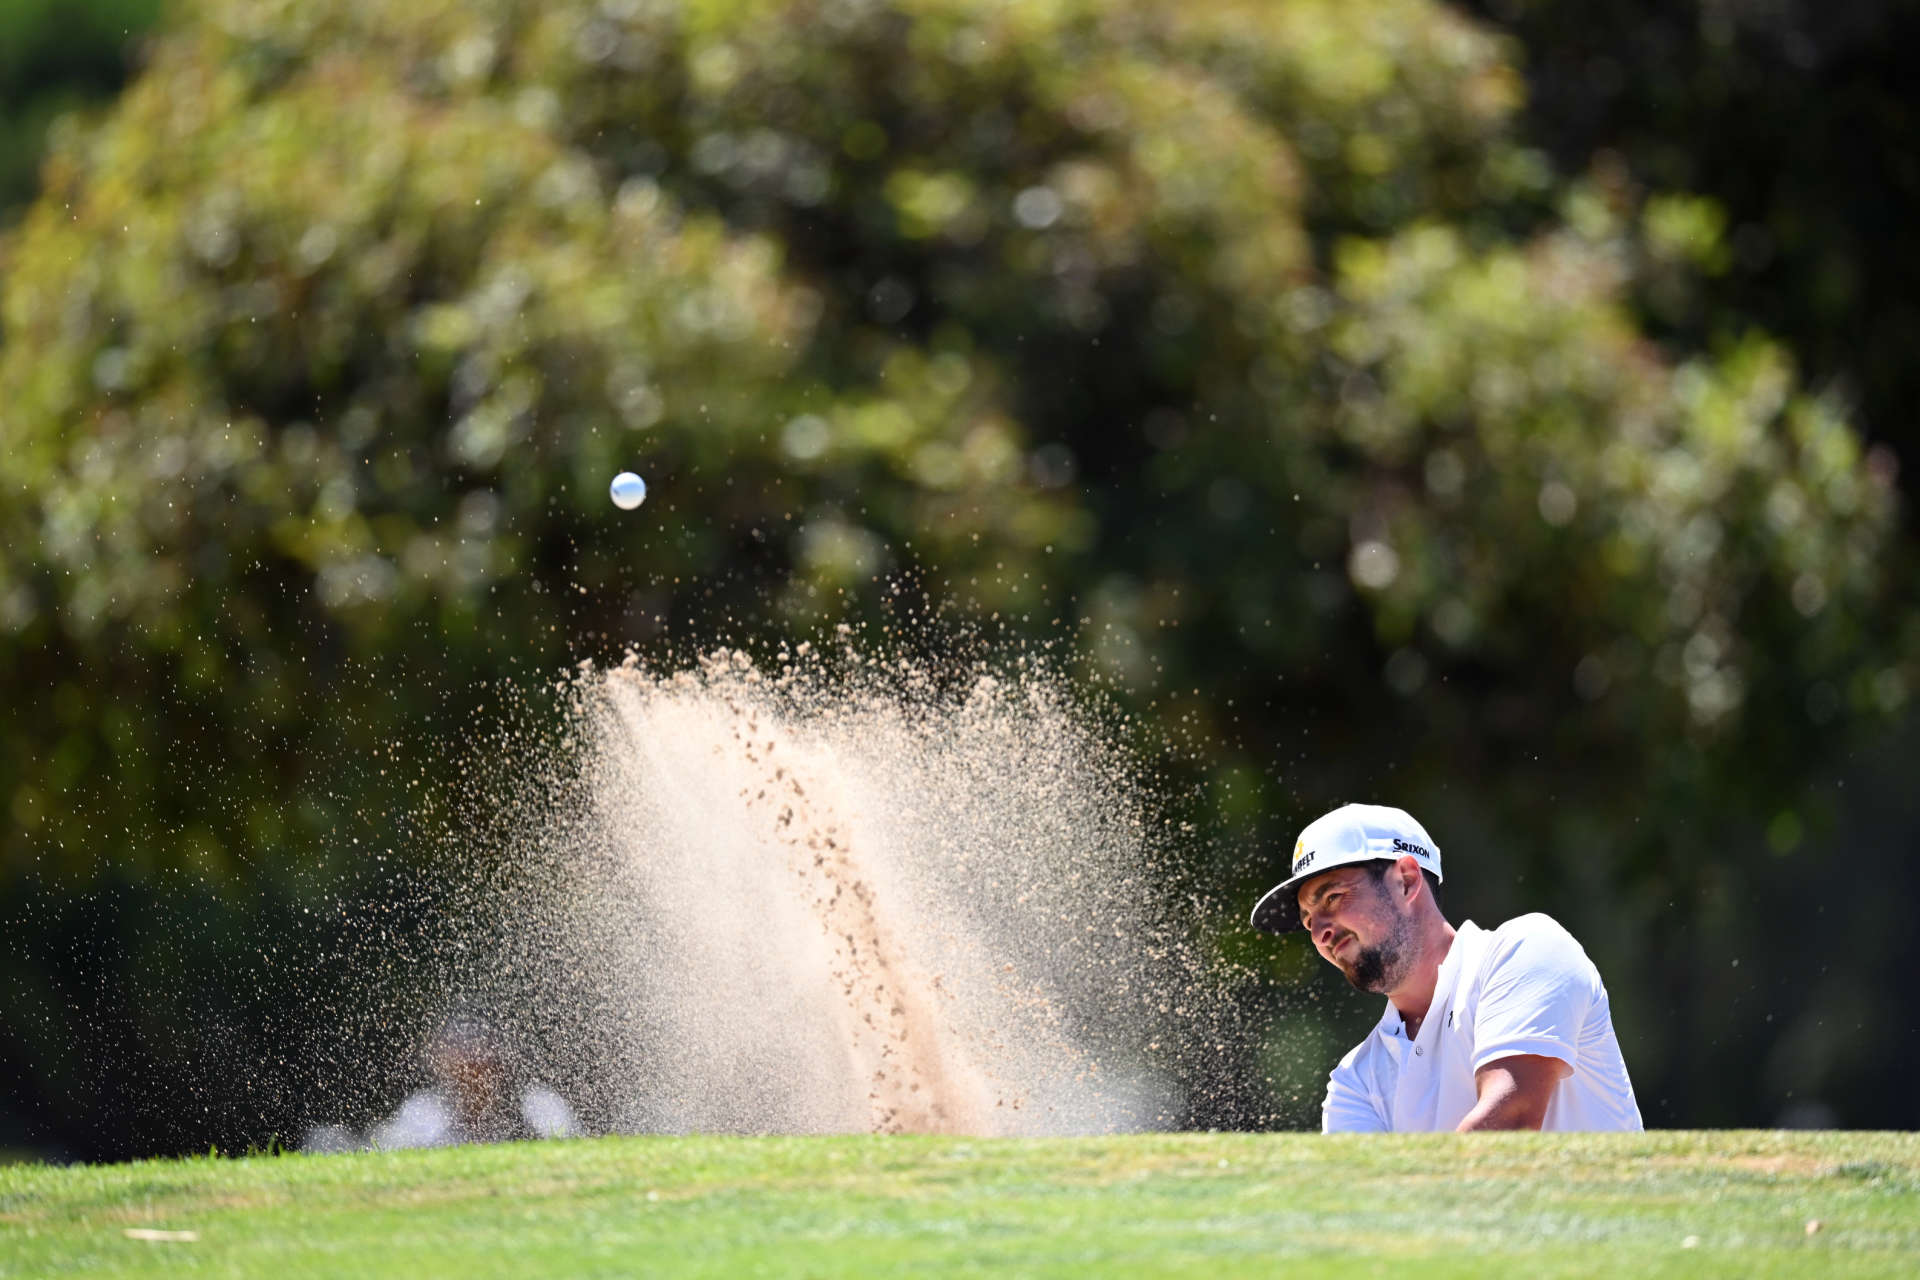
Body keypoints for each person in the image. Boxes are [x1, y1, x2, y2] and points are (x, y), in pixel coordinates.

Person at [1251, 803, 1642, 1132]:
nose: (1319, 932)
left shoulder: (1528, 947)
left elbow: (1511, 1123)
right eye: (1307, 921)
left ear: (1405, 881)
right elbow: (1362, 1210)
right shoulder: (1354, 1081)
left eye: (1333, 898)